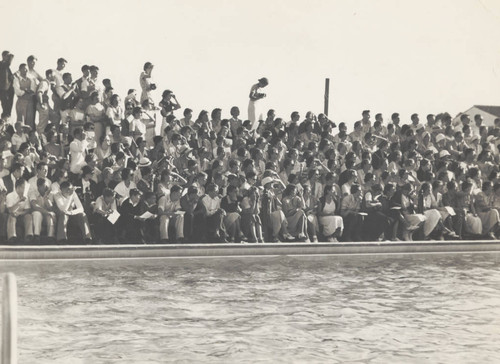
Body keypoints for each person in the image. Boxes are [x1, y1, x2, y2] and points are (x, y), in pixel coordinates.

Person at [29, 177, 56, 243]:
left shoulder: (49, 193)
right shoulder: (33, 193)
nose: (47, 188)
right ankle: (36, 236)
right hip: (36, 215)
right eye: (45, 186)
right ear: (39, 187)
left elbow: (50, 208)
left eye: (47, 186)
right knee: (37, 213)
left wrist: (46, 197)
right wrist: (46, 212)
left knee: (51, 214)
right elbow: (34, 206)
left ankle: (50, 237)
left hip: (46, 214)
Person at [6, 178, 33, 243]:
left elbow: (27, 210)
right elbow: (10, 210)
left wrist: (20, 213)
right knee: (12, 216)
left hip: (21, 215)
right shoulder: (10, 196)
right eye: (24, 188)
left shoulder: (25, 197)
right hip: (12, 215)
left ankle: (28, 236)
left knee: (28, 216)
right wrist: (19, 201)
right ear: (18, 187)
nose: (26, 190)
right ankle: (12, 237)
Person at [0, 51, 14, 120]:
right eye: (7, 56)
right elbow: (7, 63)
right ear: (3, 56)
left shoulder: (6, 66)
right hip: (2, 88)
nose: (9, 58)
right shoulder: (2, 64)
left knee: (8, 105)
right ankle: (5, 117)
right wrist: (11, 57)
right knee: (5, 104)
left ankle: (6, 117)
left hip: (8, 88)